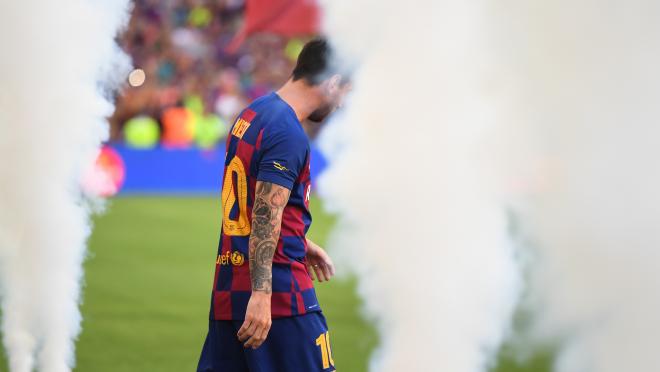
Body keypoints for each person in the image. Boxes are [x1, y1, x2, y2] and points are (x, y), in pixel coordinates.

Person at [197, 38, 350, 372]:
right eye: (343, 91)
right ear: (331, 81)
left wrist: (298, 240)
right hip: (278, 298)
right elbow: (266, 215)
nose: (340, 104)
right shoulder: (288, 132)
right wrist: (262, 295)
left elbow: (252, 204)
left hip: (228, 292)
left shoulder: (254, 113)